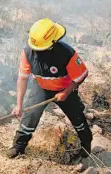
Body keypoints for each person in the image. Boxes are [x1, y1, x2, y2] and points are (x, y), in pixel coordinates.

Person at [8, 18, 92, 163]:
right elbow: (22, 79)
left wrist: (66, 92)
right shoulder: (27, 53)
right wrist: (19, 105)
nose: (36, 51)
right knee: (30, 115)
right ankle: (18, 146)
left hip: (65, 89)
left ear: (52, 43)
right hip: (41, 86)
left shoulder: (67, 53)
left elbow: (81, 75)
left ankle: (86, 144)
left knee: (77, 117)